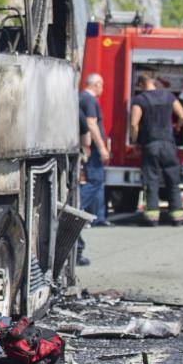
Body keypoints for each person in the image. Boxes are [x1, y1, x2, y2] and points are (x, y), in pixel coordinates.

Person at [128, 71, 183, 226]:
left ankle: (152, 218)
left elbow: (134, 123)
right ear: (153, 82)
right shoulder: (168, 96)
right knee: (173, 180)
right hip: (168, 144)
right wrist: (177, 128)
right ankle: (177, 217)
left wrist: (134, 140)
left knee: (151, 180)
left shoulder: (139, 99)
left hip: (150, 145)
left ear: (140, 85)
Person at [75, 73, 110, 265]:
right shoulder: (89, 100)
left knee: (95, 181)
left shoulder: (81, 98)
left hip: (87, 147)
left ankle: (95, 214)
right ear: (95, 84)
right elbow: (90, 124)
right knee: (95, 182)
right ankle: (79, 209)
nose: (102, 90)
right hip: (93, 148)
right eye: (101, 85)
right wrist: (102, 146)